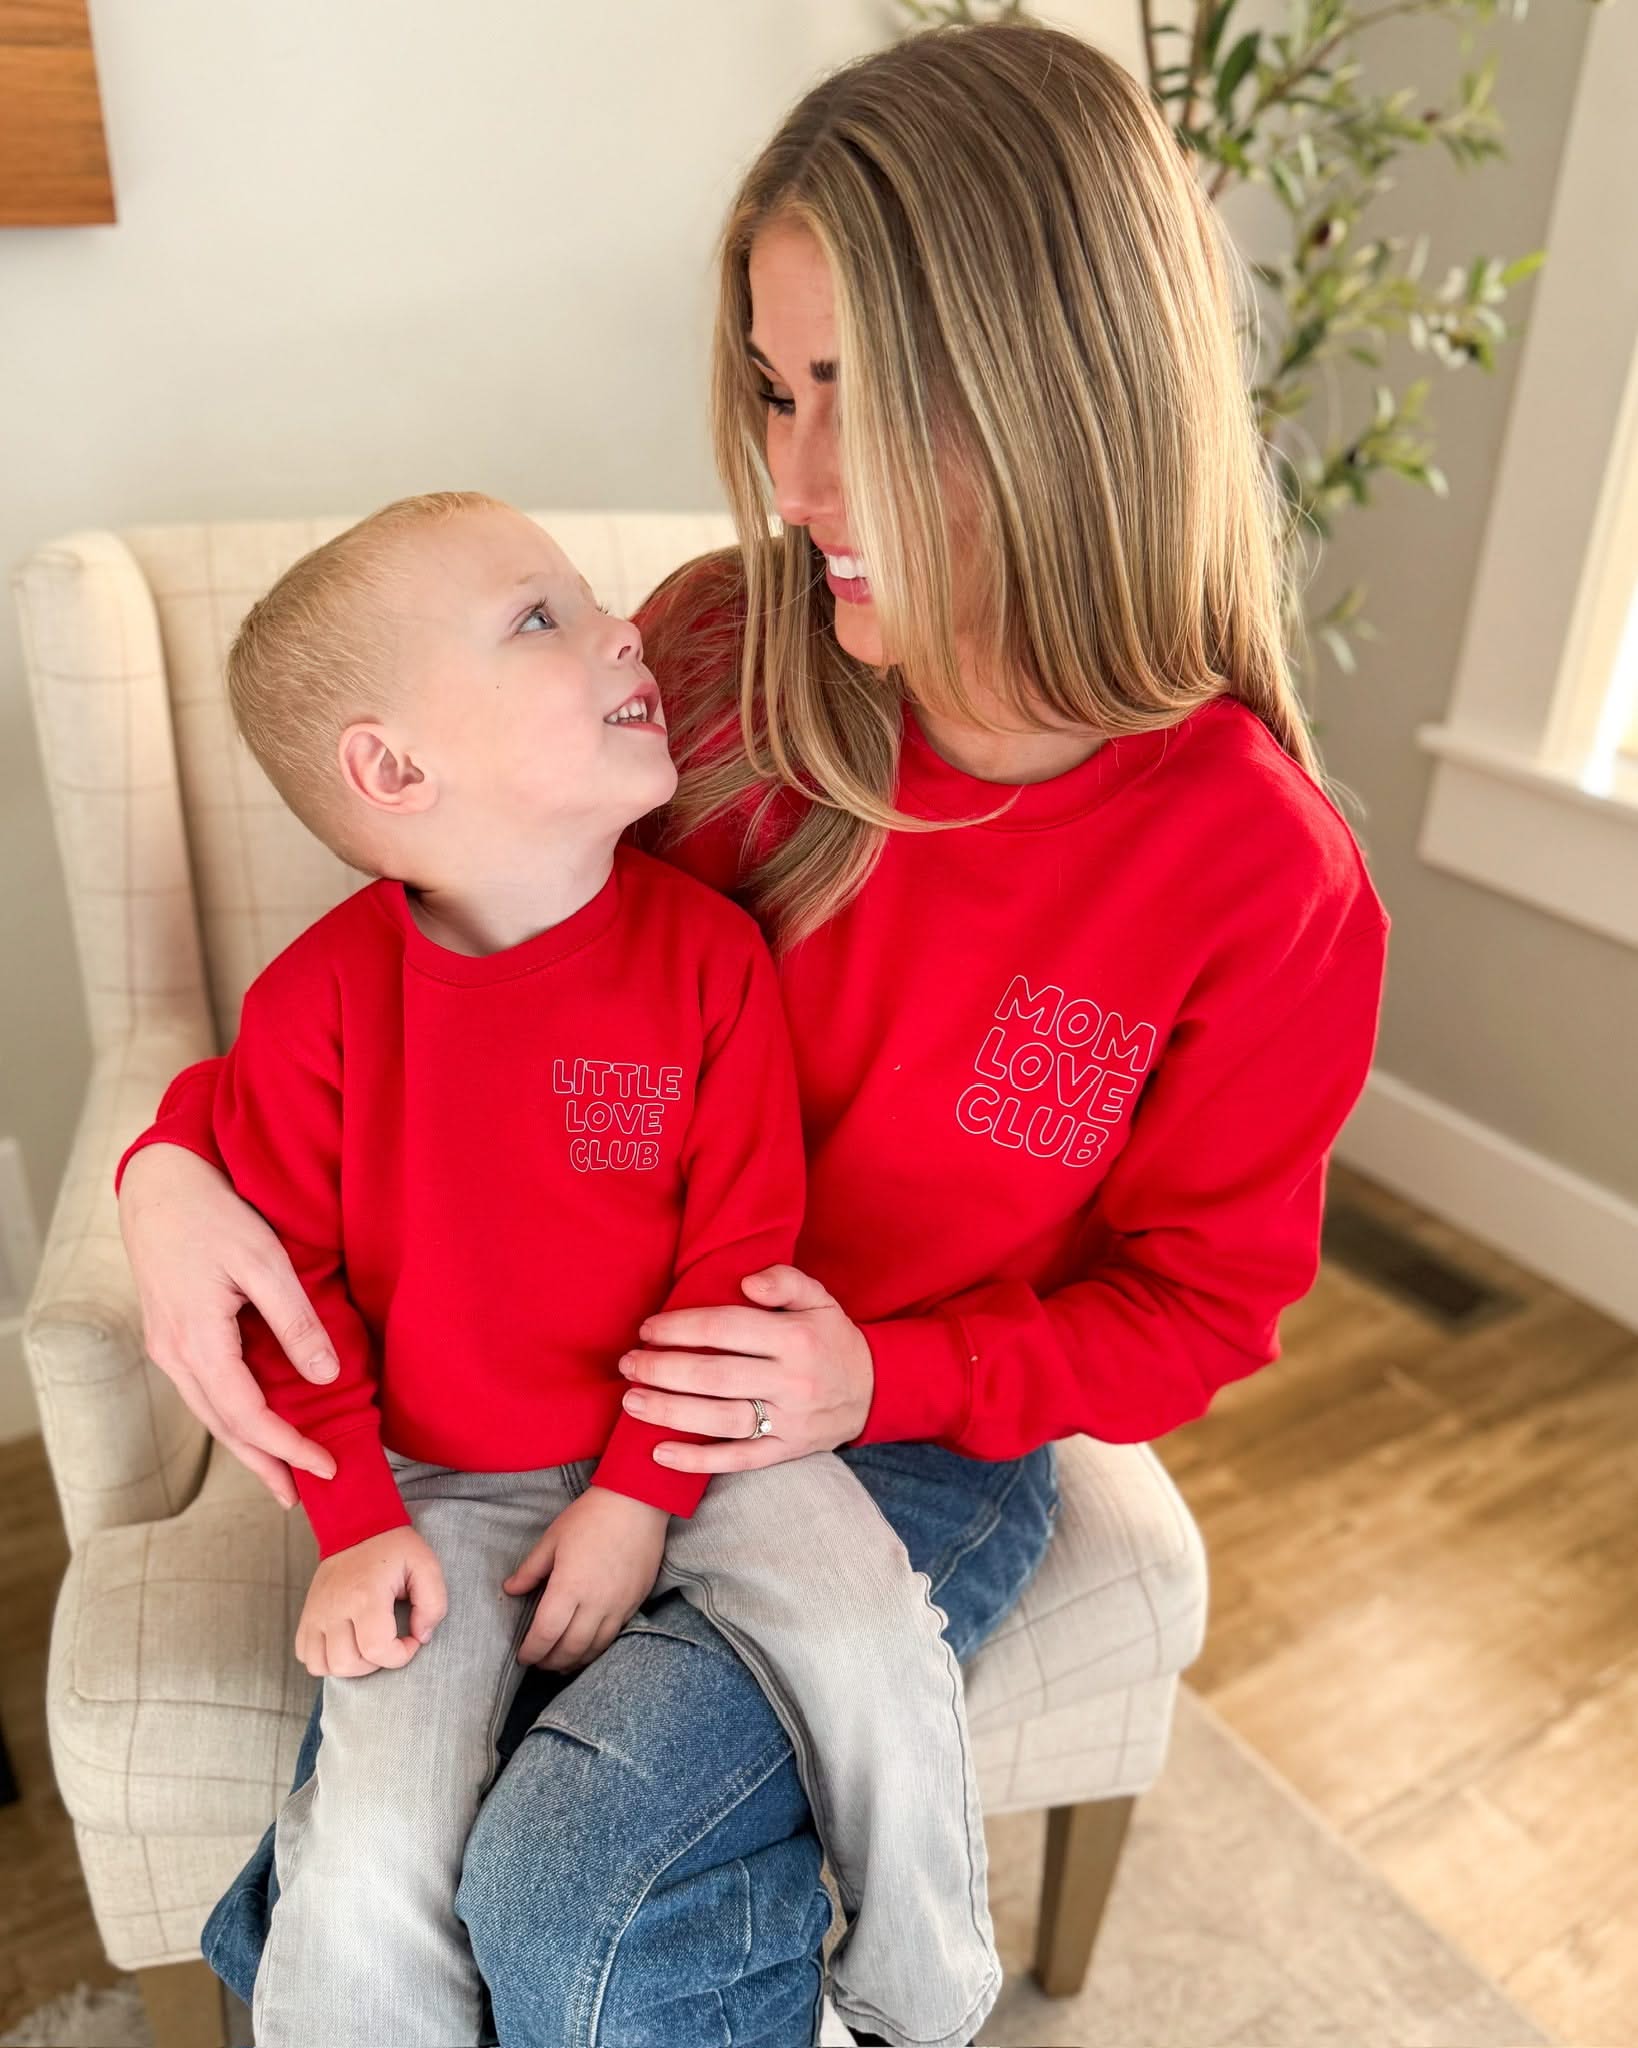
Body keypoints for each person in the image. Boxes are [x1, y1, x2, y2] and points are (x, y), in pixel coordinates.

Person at [115, 21, 1390, 2047]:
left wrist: (890, 1361)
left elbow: (1203, 1308)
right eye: (773, 388)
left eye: (863, 400)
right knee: (367, 1879)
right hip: (555, 1388)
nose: (797, 484)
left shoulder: (1258, 871)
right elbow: (427, 984)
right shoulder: (713, 656)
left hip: (908, 1440)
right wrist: (173, 1158)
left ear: (1073, 397)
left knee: (579, 1892)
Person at [117, 490, 1000, 2048]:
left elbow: (741, 1252)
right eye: (539, 618)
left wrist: (638, 1493)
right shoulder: (319, 1005)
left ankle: (923, 2005)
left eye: (589, 600)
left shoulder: (710, 955)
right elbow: (293, 1296)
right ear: (393, 768)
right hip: (440, 1490)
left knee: (872, 1635)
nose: (618, 632)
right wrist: (351, 1521)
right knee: (378, 1830)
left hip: (712, 1446)